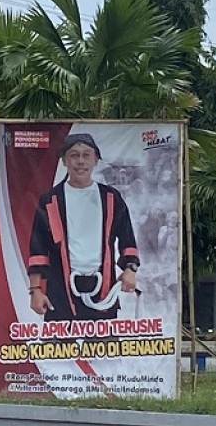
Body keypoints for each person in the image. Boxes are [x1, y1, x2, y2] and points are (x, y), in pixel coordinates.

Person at [27, 133, 139, 321]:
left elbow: (127, 239)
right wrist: (35, 290)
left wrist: (130, 269)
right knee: (58, 350)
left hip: (103, 292)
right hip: (61, 293)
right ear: (64, 161)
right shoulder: (50, 201)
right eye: (74, 155)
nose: (80, 161)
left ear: (96, 160)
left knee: (105, 349)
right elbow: (38, 248)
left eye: (86, 155)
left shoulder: (111, 199)